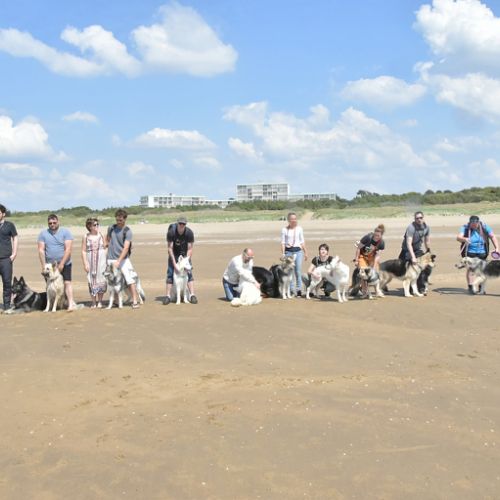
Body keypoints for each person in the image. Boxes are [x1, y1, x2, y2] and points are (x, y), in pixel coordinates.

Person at [37, 214, 77, 310]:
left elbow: (68, 250)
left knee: (67, 283)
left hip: (65, 263)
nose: (52, 224)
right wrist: (43, 265)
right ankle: (52, 306)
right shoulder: (43, 234)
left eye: (54, 222)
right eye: (50, 223)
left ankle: (70, 304)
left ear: (58, 222)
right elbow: (41, 250)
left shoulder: (65, 232)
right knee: (50, 286)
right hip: (49, 266)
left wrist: (62, 264)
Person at [106, 209, 141, 309]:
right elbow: (107, 239)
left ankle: (135, 301)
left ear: (125, 219)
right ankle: (116, 301)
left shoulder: (127, 231)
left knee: (130, 279)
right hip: (110, 259)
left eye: (120, 220)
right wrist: (107, 247)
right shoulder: (111, 228)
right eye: (117, 220)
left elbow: (126, 248)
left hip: (123, 260)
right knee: (112, 280)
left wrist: (119, 261)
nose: (118, 222)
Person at [457, 215, 499, 294]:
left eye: (475, 225)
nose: (473, 226)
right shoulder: (465, 227)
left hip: (482, 252)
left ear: (478, 222)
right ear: (469, 223)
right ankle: (471, 287)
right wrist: (464, 239)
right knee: (470, 270)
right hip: (469, 251)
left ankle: (481, 289)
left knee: (482, 271)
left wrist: (497, 248)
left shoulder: (485, 227)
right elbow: (458, 237)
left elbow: (492, 236)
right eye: (472, 225)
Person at [164, 215, 197, 305]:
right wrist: (174, 264)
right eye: (180, 223)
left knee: (189, 273)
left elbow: (190, 249)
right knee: (170, 273)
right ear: (177, 223)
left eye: (183, 224)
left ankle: (192, 295)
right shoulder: (171, 232)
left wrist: (186, 261)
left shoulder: (189, 233)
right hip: (174, 254)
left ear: (185, 224)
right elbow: (170, 248)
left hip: (185, 255)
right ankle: (168, 296)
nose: (182, 225)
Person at [81, 217, 107, 308]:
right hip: (90, 260)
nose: (97, 226)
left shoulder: (102, 235)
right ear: (89, 226)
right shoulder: (86, 236)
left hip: (101, 261)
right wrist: (85, 263)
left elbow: (106, 247)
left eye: (97, 224)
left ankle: (100, 301)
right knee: (91, 280)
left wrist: (105, 258)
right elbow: (83, 251)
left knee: (102, 279)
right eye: (94, 225)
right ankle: (93, 302)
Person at [354, 224, 386, 297]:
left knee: (376, 273)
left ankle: (377, 291)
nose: (376, 237)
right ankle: (365, 291)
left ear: (381, 235)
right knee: (363, 273)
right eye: (375, 235)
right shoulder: (367, 238)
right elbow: (358, 248)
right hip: (362, 256)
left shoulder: (381, 243)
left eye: (378, 236)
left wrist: (374, 267)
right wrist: (356, 260)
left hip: (372, 257)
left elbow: (377, 255)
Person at [281, 212, 308, 297]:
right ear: (288, 220)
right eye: (292, 219)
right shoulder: (284, 230)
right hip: (288, 252)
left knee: (298, 271)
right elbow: (283, 242)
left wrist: (305, 252)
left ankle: (299, 289)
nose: (294, 220)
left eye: (295, 219)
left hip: (298, 251)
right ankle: (292, 290)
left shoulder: (299, 229)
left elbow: (302, 241)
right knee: (290, 272)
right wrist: (283, 253)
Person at [0, 204, 18, 311]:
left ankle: (7, 306)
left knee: (7, 283)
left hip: (6, 259)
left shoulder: (9, 225)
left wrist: (14, 253)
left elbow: (15, 238)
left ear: (3, 214)